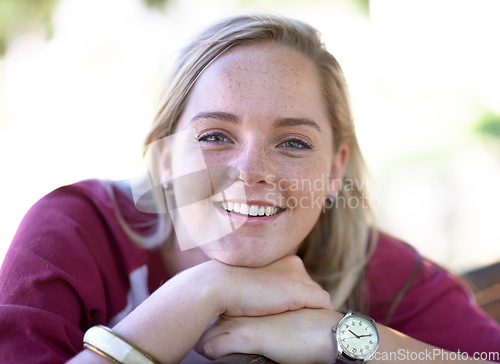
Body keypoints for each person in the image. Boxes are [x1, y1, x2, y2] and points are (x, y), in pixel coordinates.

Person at [0, 13, 499, 364]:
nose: (251, 170)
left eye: (294, 142)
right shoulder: (77, 230)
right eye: (216, 136)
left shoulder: (363, 262)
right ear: (165, 160)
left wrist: (338, 338)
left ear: (334, 169)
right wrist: (201, 291)